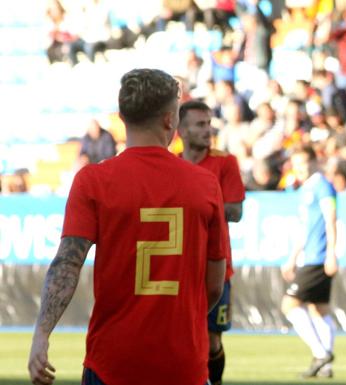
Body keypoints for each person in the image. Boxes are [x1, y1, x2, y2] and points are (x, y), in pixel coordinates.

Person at [28, 68, 228, 385]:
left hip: (112, 363)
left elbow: (67, 262)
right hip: (182, 363)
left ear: (122, 116)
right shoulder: (205, 184)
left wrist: (42, 334)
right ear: (169, 120)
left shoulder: (93, 181)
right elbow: (214, 285)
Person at [177, 100, 246, 385]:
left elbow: (236, 211)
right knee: (181, 336)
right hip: (179, 264)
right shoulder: (172, 164)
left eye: (209, 124)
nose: (208, 131)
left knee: (211, 339)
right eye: (200, 125)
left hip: (215, 264)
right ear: (181, 130)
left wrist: (200, 204)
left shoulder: (224, 162)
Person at [281, 147, 338, 379]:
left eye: (304, 163)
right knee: (318, 309)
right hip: (310, 256)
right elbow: (305, 229)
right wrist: (293, 258)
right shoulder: (307, 188)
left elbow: (330, 220)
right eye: (297, 164)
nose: (301, 169)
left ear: (315, 162)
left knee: (289, 305)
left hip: (318, 257)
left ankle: (321, 354)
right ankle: (325, 366)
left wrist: (332, 254)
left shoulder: (322, 185)